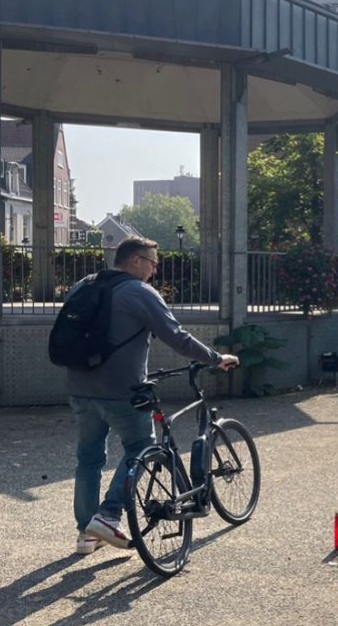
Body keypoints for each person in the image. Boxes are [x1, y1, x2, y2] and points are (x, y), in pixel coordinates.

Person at [66, 237, 238, 555]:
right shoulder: (139, 292)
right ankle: (108, 515)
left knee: (88, 458)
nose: (155, 270)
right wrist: (215, 358)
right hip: (121, 391)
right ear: (134, 260)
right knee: (142, 446)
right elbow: (176, 337)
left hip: (79, 387)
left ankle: (87, 533)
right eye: (152, 262)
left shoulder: (83, 285)